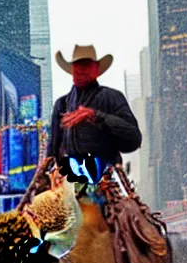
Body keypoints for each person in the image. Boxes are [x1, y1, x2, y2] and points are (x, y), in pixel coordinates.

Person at [46, 44, 142, 186]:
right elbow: (52, 152)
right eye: (76, 65)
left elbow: (133, 139)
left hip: (107, 180)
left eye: (85, 65)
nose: (80, 69)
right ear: (72, 69)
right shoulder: (62, 104)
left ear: (96, 69)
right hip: (70, 181)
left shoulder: (112, 97)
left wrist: (98, 117)